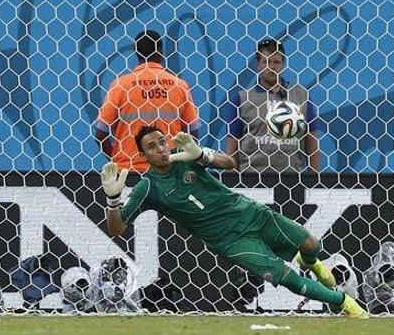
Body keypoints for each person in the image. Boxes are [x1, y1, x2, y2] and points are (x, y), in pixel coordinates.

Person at [99, 126, 368, 317]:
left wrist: (202, 154)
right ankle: (344, 303)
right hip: (231, 241)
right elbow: (116, 228)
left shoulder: (187, 157)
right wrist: (113, 200)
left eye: (161, 141)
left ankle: (311, 263)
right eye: (152, 147)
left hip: (251, 214)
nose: (160, 148)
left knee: (312, 245)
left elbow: (230, 163)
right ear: (144, 157)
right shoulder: (148, 188)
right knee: (286, 278)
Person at [95, 30, 201, 172]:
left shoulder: (120, 85)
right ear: (161, 51)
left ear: (135, 52)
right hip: (169, 170)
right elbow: (192, 133)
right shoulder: (179, 85)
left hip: (129, 170)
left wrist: (118, 159)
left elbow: (100, 134)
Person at [224, 38, 320, 172]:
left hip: (292, 180)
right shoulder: (241, 99)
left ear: (283, 64)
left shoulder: (301, 96)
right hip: (252, 181)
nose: (272, 67)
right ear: (258, 65)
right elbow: (232, 148)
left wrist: (314, 181)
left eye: (276, 62)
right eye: (266, 62)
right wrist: (233, 183)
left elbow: (312, 142)